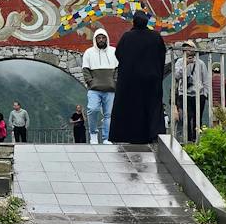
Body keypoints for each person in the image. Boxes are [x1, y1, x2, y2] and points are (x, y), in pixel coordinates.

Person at [108, 11, 167, 144]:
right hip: (151, 80)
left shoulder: (127, 37)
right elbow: (161, 55)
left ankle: (132, 135)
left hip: (131, 81)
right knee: (151, 107)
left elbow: (119, 54)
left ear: (134, 21)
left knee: (133, 108)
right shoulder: (155, 37)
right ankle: (153, 134)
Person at [80, 27, 117, 144]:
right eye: (99, 38)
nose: (101, 40)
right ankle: (93, 134)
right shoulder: (89, 52)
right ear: (95, 39)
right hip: (94, 89)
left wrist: (115, 81)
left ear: (107, 39)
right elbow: (85, 69)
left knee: (109, 114)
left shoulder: (114, 51)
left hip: (110, 89)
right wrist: (90, 82)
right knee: (92, 109)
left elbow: (118, 69)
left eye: (103, 38)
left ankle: (107, 138)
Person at [174, 43, 209, 143]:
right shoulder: (180, 62)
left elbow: (205, 79)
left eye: (190, 48)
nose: (188, 50)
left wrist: (205, 94)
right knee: (187, 116)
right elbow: (176, 75)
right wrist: (186, 63)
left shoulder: (200, 63)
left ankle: (197, 138)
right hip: (184, 94)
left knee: (198, 118)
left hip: (199, 94)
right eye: (186, 48)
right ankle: (188, 139)